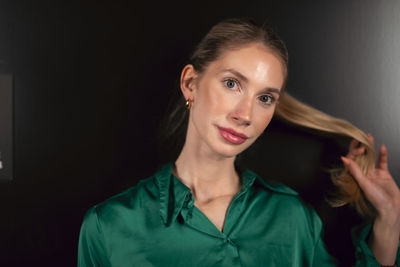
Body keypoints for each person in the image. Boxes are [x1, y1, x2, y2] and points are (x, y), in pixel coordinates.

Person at [78, 18, 400, 266]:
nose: (245, 114)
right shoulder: (109, 226)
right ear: (191, 83)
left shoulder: (291, 217)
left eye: (264, 98)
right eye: (232, 83)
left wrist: (389, 221)